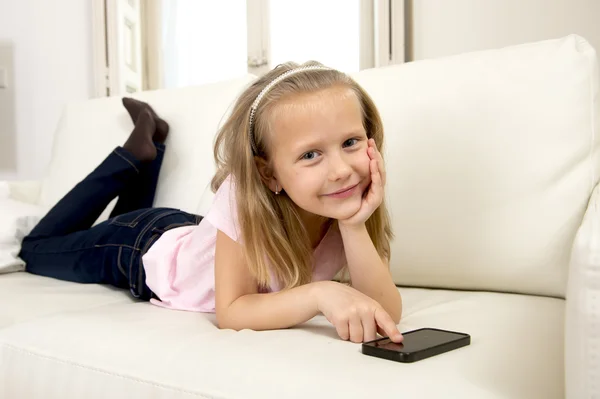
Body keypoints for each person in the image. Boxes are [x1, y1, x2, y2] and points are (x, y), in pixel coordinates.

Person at [19, 61, 403, 344]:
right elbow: (232, 312)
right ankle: (131, 158)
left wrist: (354, 226)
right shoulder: (243, 192)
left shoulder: (348, 207)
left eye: (350, 142)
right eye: (310, 155)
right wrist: (320, 294)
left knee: (106, 225)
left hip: (188, 230)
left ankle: (149, 146)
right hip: (138, 246)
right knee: (34, 250)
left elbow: (387, 311)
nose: (341, 170)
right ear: (268, 174)